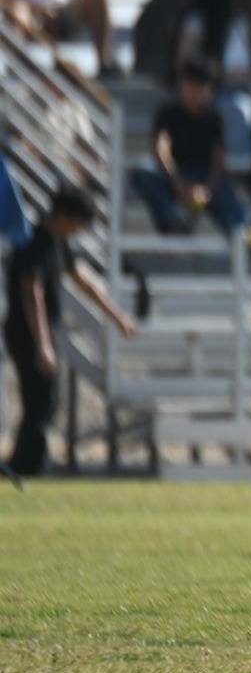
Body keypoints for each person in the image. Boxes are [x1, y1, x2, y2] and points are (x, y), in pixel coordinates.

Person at [4, 186, 136, 477]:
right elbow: (31, 293)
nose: (80, 229)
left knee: (44, 402)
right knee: (41, 402)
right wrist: (43, 345)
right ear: (64, 215)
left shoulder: (56, 242)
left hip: (38, 332)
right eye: (79, 222)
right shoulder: (36, 242)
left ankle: (21, 466)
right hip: (27, 332)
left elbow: (85, 281)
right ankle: (29, 467)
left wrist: (118, 316)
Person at [131, 59, 246, 236]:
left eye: (200, 86)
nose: (195, 91)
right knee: (144, 172)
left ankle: (240, 233)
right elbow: (161, 150)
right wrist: (178, 183)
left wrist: (207, 190)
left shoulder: (213, 118)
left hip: (204, 177)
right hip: (171, 176)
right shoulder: (168, 113)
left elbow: (218, 161)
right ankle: (172, 219)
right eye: (191, 84)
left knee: (227, 198)